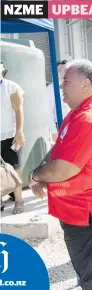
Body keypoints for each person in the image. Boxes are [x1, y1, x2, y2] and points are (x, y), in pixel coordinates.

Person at [29, 59, 92, 290]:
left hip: (87, 214)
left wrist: (36, 175)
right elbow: (58, 147)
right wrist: (40, 171)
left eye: (66, 81)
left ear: (85, 84)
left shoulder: (90, 118)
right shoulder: (78, 114)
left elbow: (64, 168)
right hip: (77, 212)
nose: (61, 87)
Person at [0, 61, 26, 214]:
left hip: (9, 134)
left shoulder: (12, 87)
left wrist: (19, 131)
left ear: (3, 69)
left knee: (14, 168)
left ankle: (19, 200)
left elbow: (19, 110)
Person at [46, 60, 71, 143]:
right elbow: (48, 112)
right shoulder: (50, 90)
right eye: (59, 71)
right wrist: (53, 131)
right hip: (60, 126)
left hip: (73, 124)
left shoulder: (73, 86)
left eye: (65, 70)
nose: (62, 73)